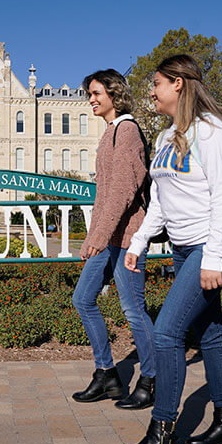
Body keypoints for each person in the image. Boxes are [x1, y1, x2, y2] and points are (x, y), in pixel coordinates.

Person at [114, 54, 222, 444]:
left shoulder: (212, 132)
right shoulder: (168, 136)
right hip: (185, 247)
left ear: (179, 84)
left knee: (168, 333)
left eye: (155, 83)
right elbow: (162, 204)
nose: (149, 91)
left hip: (216, 244)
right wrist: (137, 242)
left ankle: (163, 436)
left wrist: (213, 257)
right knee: (209, 331)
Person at [71, 68, 157, 410]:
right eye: (89, 94)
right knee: (83, 299)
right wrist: (93, 237)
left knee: (134, 311)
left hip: (127, 238)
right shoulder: (109, 133)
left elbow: (123, 191)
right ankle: (107, 374)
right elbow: (103, 194)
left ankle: (150, 379)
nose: (91, 99)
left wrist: (100, 236)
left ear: (113, 94)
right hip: (107, 239)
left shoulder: (127, 130)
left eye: (96, 93)